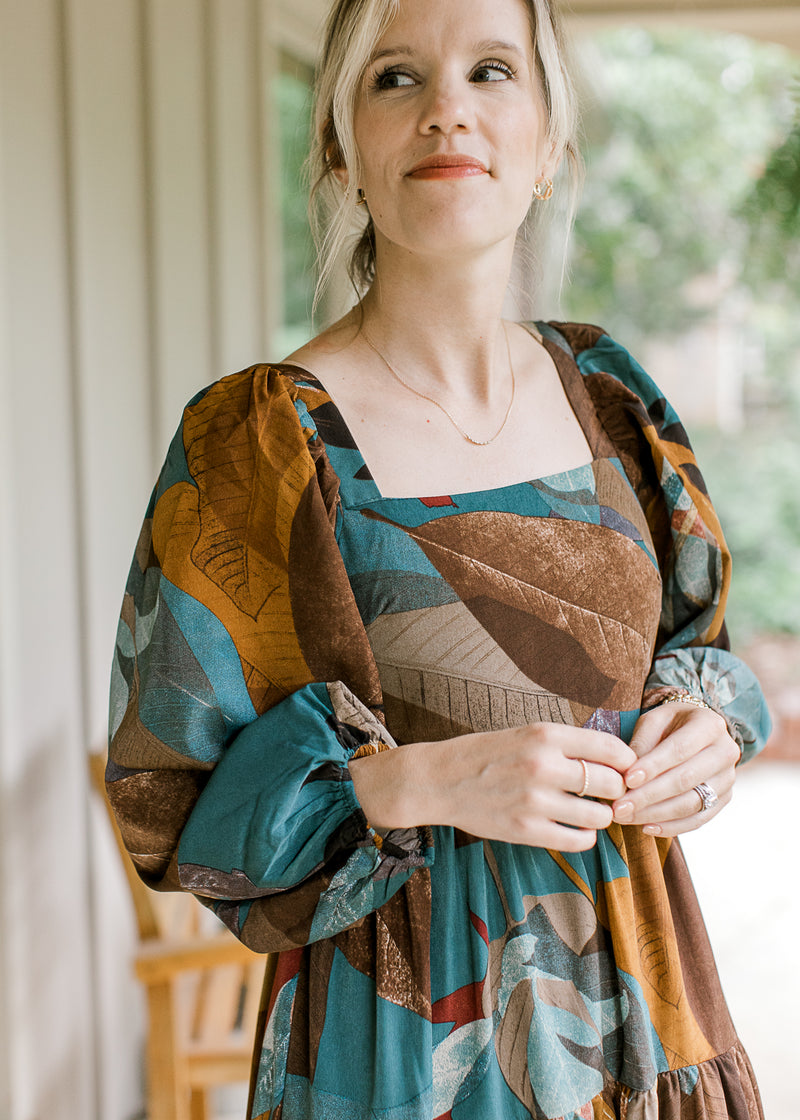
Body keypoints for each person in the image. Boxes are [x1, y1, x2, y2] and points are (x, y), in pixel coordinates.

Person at [107, 0, 772, 1116]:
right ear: (337, 146)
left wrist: (704, 735)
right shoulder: (262, 440)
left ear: (550, 145)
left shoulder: (612, 398)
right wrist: (412, 780)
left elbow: (696, 657)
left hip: (650, 1015)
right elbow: (172, 805)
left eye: (491, 71)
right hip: (404, 1050)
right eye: (395, 78)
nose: (446, 112)